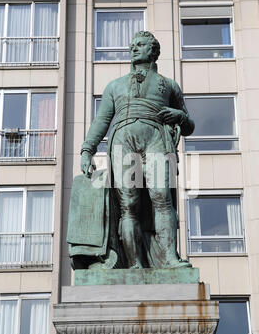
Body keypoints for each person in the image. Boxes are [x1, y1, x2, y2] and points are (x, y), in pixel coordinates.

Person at [80, 31, 195, 269]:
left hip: (156, 138)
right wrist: (87, 149)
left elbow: (190, 125)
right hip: (123, 138)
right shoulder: (114, 86)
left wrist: (180, 116)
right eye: (132, 45)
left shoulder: (169, 85)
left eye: (140, 44)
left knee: (162, 197)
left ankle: (169, 258)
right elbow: (102, 120)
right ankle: (134, 264)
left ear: (153, 50)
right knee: (128, 204)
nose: (133, 48)